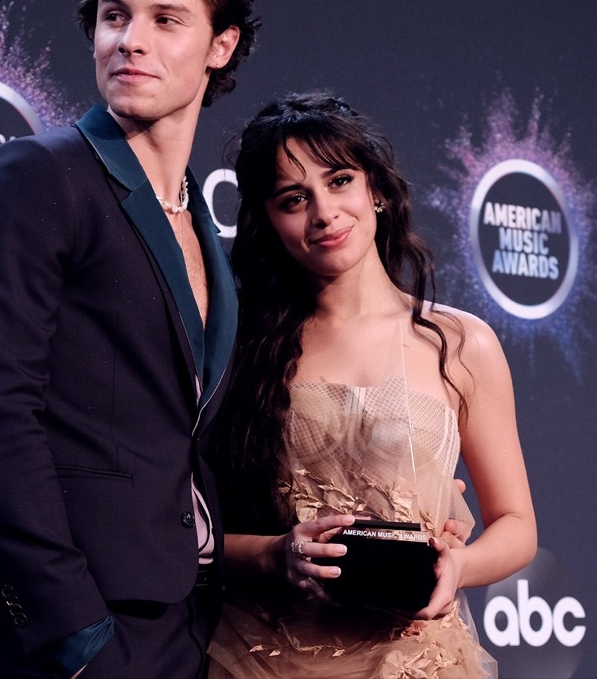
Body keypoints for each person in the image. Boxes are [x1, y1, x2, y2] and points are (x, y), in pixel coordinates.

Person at [0, 0, 257, 678]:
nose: (131, 40)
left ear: (222, 46)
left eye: (166, 19)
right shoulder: (36, 179)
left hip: (183, 619)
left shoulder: (200, 222)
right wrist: (75, 635)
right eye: (115, 15)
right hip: (75, 631)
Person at [209, 92, 537, 678]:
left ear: (377, 190)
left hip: (416, 659)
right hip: (264, 657)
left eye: (340, 181)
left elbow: (516, 525)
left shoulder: (461, 342)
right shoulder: (240, 347)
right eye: (293, 198)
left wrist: (457, 567)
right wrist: (271, 555)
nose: (324, 213)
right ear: (268, 222)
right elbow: (183, 528)